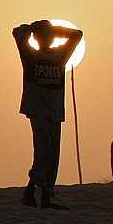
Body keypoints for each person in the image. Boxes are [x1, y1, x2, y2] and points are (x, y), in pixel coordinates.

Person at [13, 19, 83, 210]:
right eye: (44, 36)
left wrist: (55, 30)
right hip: (37, 109)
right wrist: (33, 29)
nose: (48, 39)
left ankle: (44, 196)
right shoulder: (30, 55)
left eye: (50, 36)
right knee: (44, 151)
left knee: (53, 154)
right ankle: (30, 191)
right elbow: (17, 32)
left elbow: (78, 35)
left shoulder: (60, 55)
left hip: (54, 110)